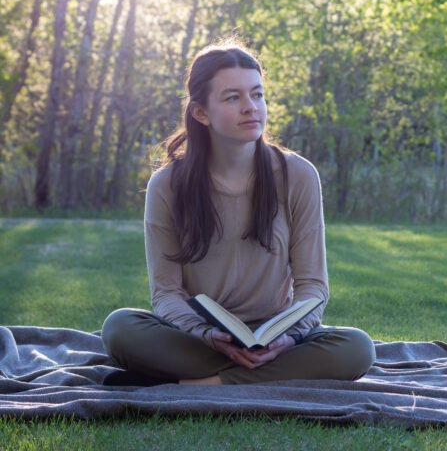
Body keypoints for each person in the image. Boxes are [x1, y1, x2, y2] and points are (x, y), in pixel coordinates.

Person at [101, 40, 375, 386]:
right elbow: (166, 292)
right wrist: (204, 333)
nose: (251, 108)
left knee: (356, 348)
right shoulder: (167, 184)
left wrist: (287, 339)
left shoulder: (298, 175)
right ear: (201, 113)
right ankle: (248, 380)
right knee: (120, 328)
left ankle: (199, 385)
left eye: (257, 95)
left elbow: (313, 288)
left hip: (276, 340)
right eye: (233, 98)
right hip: (203, 340)